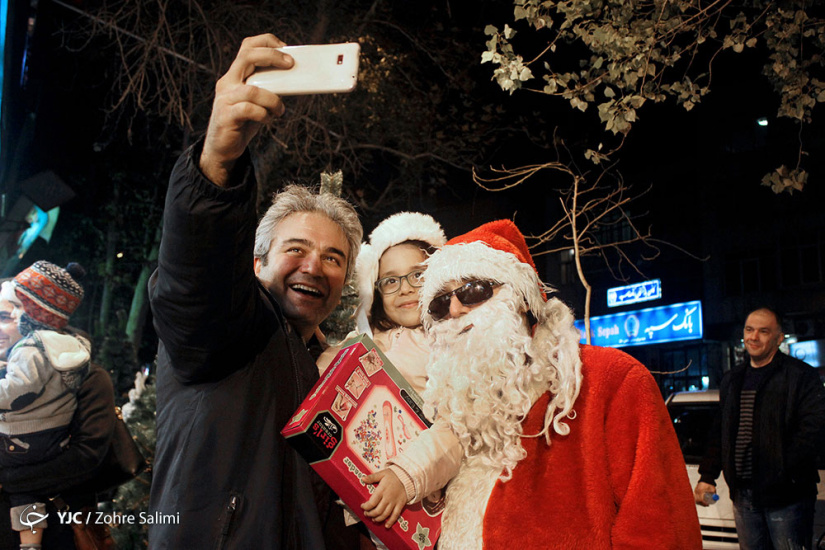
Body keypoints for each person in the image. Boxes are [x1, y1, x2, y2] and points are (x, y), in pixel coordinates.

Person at [148, 33, 364, 549]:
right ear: (256, 263)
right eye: (296, 248)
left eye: (334, 258)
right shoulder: (228, 324)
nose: (315, 265)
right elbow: (193, 281)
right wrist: (216, 166)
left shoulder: (334, 372)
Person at [366, 219, 703, 549]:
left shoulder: (609, 378)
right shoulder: (456, 400)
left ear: (522, 297)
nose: (454, 309)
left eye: (473, 291)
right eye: (439, 303)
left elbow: (660, 528)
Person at [317, 212, 454, 549]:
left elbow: (460, 428)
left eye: (417, 275)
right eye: (391, 280)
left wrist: (407, 475)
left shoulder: (452, 340)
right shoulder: (370, 343)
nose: (404, 288)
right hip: (372, 500)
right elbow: (327, 373)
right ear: (375, 291)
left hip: (430, 494)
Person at [695, 307, 825, 550]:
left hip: (788, 497)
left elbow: (813, 430)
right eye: (749, 329)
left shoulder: (800, 375)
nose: (753, 337)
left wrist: (781, 471)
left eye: (763, 331)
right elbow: (720, 431)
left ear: (778, 338)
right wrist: (707, 476)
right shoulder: (733, 379)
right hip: (744, 496)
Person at [0, 262, 90, 550]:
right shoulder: (71, 347)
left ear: (35, 310)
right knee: (26, 496)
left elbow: (16, 393)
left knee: (22, 492)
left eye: (16, 309)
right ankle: (30, 544)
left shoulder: (30, 348)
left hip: (21, 440)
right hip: (52, 438)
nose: (15, 315)